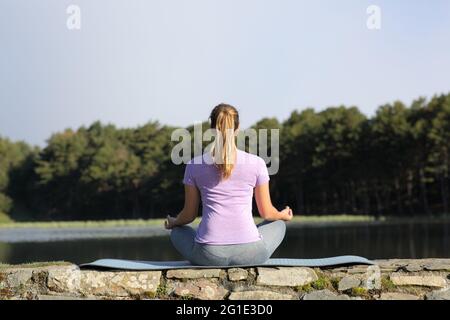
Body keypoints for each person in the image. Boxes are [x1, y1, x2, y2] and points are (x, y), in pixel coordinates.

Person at [164, 103, 293, 266]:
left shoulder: (193, 165)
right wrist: (282, 215)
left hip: (209, 255)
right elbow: (267, 213)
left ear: (211, 129)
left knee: (177, 232)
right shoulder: (257, 163)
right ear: (238, 129)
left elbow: (189, 216)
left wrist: (174, 222)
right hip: (251, 254)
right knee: (278, 224)